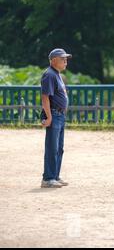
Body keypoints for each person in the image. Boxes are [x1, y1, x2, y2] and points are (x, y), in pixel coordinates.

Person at [40, 48, 72, 188]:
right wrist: (48, 117)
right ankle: (48, 178)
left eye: (66, 59)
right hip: (54, 114)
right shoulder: (49, 75)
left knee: (59, 148)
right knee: (52, 147)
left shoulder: (56, 74)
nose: (65, 61)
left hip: (60, 115)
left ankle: (55, 175)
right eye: (62, 59)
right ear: (53, 60)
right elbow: (45, 97)